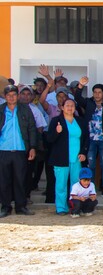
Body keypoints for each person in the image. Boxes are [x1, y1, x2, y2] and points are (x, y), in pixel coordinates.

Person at [0, 85, 37, 218]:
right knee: (4, 180)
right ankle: (5, 207)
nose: (11, 97)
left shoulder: (25, 109)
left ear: (18, 95)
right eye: (8, 95)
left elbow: (32, 128)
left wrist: (33, 147)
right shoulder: (1, 110)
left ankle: (21, 206)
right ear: (5, 96)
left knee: (20, 179)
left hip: (21, 150)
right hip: (3, 149)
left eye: (14, 94)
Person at [47, 98, 89, 215]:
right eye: (67, 105)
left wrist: (83, 153)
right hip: (61, 158)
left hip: (77, 158)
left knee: (76, 185)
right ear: (62, 107)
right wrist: (57, 132)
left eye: (72, 106)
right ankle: (61, 208)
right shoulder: (56, 121)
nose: (70, 108)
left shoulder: (80, 121)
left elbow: (86, 139)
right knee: (61, 185)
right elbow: (49, 139)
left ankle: (74, 207)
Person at [74, 77, 103, 197]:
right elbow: (77, 98)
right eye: (95, 92)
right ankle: (89, 189)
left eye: (99, 92)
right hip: (90, 139)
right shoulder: (88, 103)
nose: (97, 94)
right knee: (90, 165)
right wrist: (80, 85)